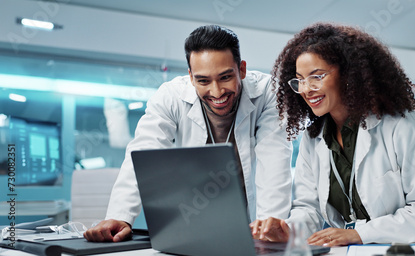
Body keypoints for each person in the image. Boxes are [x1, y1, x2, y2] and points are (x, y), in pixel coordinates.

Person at [84, 25, 292, 242]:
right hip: (196, 215)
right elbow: (144, 154)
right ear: (191, 77)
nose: (217, 91)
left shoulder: (267, 93)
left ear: (242, 70)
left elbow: (274, 158)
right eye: (203, 80)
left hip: (251, 213)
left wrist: (270, 225)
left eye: (225, 77)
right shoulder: (170, 96)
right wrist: (120, 216)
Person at [250, 22, 415, 246]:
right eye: (300, 80)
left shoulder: (401, 126)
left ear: (348, 74)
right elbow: (309, 209)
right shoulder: (314, 137)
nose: (306, 89)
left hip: (411, 248)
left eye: (317, 76)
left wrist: (359, 234)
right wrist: (288, 230)